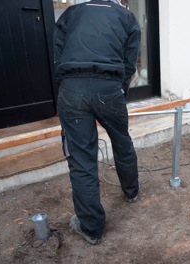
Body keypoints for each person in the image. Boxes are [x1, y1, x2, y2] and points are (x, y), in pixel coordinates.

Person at [53, 0, 141, 245]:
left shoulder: (71, 13)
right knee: (121, 140)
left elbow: (58, 56)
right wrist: (118, 91)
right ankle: (131, 192)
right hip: (109, 87)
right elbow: (129, 62)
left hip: (72, 88)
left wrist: (63, 92)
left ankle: (92, 228)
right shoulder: (127, 18)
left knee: (81, 159)